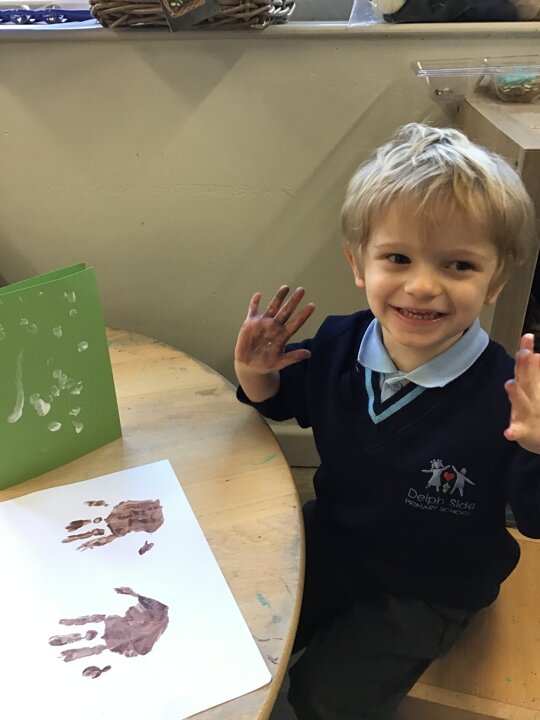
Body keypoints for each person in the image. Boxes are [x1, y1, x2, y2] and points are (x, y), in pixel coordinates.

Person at [234, 123, 540, 720]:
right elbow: (284, 400)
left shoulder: (508, 394)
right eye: (398, 258)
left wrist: (537, 448)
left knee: (323, 697)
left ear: (496, 281)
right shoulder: (337, 342)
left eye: (458, 265)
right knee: (248, 634)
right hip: (334, 540)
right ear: (358, 263)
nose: (422, 286)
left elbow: (533, 519)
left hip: (430, 587)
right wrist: (256, 375)